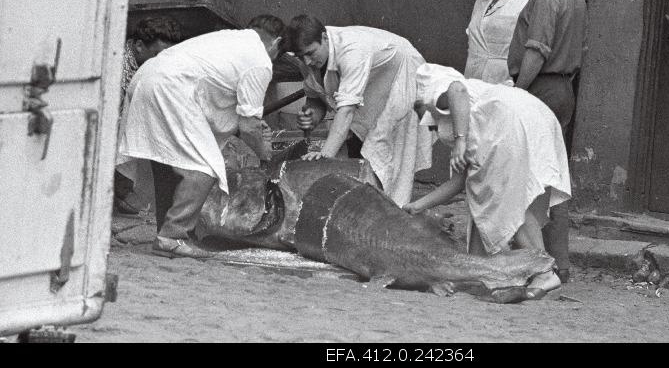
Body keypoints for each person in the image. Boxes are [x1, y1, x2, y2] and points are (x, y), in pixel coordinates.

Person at [116, 15, 285, 259]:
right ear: (276, 43)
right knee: (205, 165)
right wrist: (264, 154)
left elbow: (232, 105)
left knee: (167, 160)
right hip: (169, 86)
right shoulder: (260, 60)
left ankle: (167, 233)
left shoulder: (230, 39)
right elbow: (249, 126)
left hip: (147, 77)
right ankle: (172, 235)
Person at [403, 63, 570, 299]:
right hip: (533, 114)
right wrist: (418, 206)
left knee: (507, 203)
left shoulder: (431, 85)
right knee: (508, 198)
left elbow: (456, 90)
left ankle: (543, 271)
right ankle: (483, 271)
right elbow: (463, 181)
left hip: (509, 118)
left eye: (430, 126)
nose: (432, 131)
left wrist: (460, 141)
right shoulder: (473, 118)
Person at [507, 0, 588, 283]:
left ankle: (537, 262)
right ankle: (560, 261)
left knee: (526, 178)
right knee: (553, 180)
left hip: (541, 90)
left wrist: (517, 92)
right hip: (564, 90)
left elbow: (536, 51)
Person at [285, 15, 432, 206]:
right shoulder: (309, 58)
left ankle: (390, 213)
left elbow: (345, 112)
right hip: (373, 87)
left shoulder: (352, 50)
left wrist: (324, 157)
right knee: (353, 140)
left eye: (311, 53)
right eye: (300, 56)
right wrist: (312, 116)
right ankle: (356, 202)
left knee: (384, 151)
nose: (307, 61)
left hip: (404, 77)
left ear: (324, 37)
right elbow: (316, 98)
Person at [114, 16, 183, 215]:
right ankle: (120, 190)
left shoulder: (146, 63)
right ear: (138, 46)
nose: (163, 61)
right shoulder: (117, 66)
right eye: (157, 54)